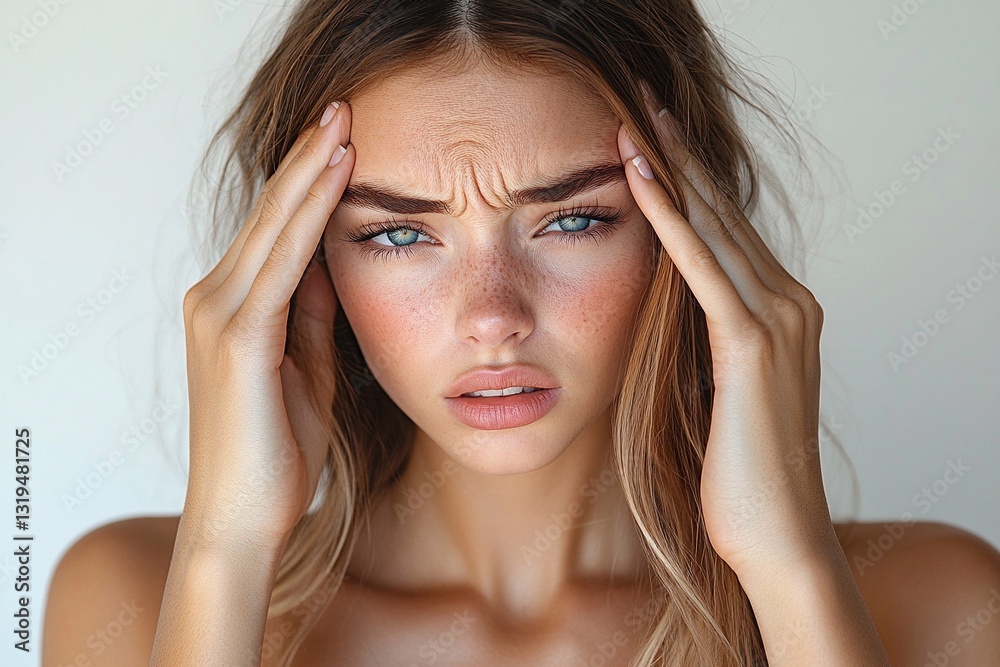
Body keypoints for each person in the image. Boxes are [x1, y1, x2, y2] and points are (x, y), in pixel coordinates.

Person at [42, 1, 1000, 665]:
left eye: (572, 219)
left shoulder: (941, 600)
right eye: (400, 233)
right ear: (300, 269)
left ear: (695, 239)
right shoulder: (131, 600)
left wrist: (789, 566)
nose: (492, 315)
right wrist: (228, 543)